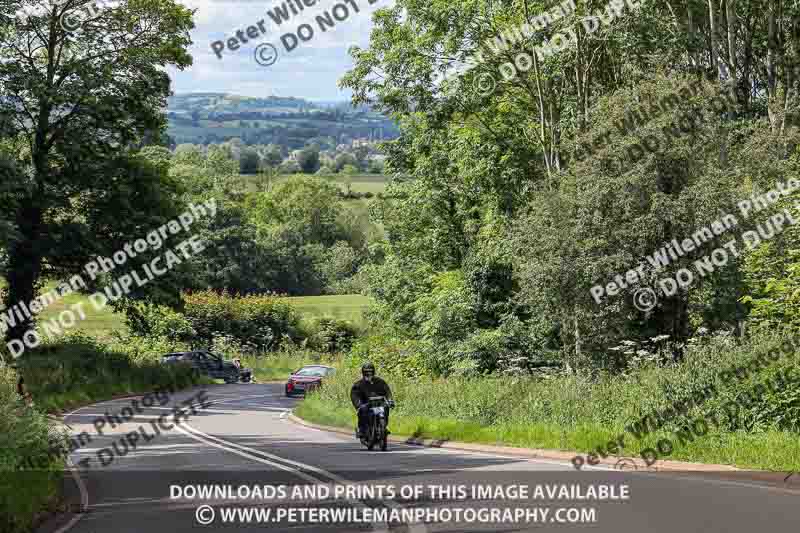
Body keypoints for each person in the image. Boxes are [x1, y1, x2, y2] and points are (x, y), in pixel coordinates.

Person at [350, 362, 392, 439]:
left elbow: (387, 391)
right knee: (362, 411)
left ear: (373, 371)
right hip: (366, 404)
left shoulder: (380, 382)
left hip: (379, 403)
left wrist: (390, 400)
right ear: (363, 372)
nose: (369, 373)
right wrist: (358, 404)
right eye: (367, 372)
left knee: (386, 408)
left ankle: (383, 426)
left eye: (370, 371)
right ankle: (362, 430)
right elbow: (354, 395)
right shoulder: (358, 384)